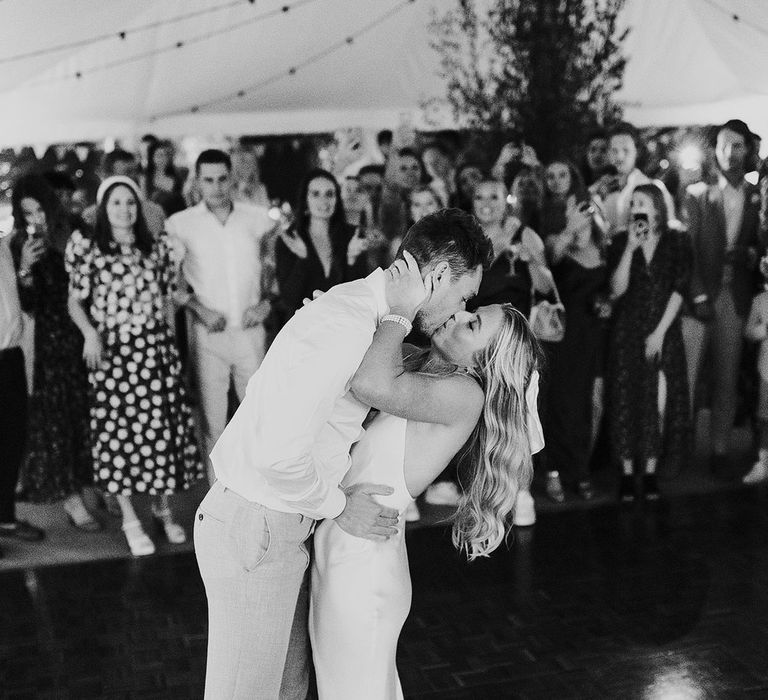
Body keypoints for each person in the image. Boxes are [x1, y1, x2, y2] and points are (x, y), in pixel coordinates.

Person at [193, 208, 492, 700]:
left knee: (287, 691)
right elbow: (277, 456)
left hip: (278, 525)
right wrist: (339, 505)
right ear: (437, 276)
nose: (459, 309)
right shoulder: (348, 321)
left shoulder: (358, 315)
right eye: (463, 295)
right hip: (258, 525)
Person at [310, 258, 544, 699]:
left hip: (363, 565)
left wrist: (399, 311)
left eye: (471, 325)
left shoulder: (463, 395)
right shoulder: (425, 366)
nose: (456, 315)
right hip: (348, 543)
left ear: (484, 362)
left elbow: (368, 384)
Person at [66, 176, 204, 556]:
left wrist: (173, 335)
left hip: (154, 350)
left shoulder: (157, 247)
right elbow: (75, 301)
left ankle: (162, 509)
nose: (124, 209)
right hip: (112, 353)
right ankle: (129, 517)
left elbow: (166, 298)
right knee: (120, 435)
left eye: (130, 202)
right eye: (116, 203)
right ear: (103, 208)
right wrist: (90, 335)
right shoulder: (89, 247)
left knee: (160, 430)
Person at [166, 149, 277, 483]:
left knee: (258, 416)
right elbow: (170, 282)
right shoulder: (181, 224)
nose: (216, 186)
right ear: (197, 182)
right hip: (208, 333)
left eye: (221, 178)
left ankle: (261, 490)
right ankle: (218, 499)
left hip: (250, 328)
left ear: (232, 178)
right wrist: (197, 308)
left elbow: (275, 267)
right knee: (214, 422)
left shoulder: (258, 218)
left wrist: (267, 303)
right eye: (208, 180)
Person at [9, 175, 97, 529]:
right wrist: (25, 269)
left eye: (39, 209)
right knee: (59, 420)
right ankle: (73, 499)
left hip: (89, 328)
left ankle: (103, 486)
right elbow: (27, 306)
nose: (35, 218)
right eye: (26, 213)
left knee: (93, 413)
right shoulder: (20, 244)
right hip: (51, 337)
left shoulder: (75, 229)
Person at [681, 119, 763, 477]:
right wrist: (697, 293)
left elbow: (761, 244)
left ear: (748, 150)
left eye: (739, 145)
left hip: (737, 292)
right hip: (701, 293)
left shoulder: (756, 194)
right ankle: (677, 451)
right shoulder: (697, 193)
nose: (731, 152)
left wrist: (749, 254)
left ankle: (719, 449)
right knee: (688, 375)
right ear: (715, 149)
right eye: (725, 145)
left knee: (727, 377)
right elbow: (688, 250)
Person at [468, 179, 551, 524]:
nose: (486, 203)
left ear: (507, 201)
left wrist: (533, 262)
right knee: (481, 419)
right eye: (479, 196)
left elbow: (547, 286)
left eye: (494, 197)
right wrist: (504, 239)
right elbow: (473, 280)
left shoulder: (526, 235)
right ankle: (485, 493)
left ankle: (521, 491)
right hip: (475, 341)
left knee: (519, 416)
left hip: (515, 342)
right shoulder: (468, 239)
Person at [607, 183, 692, 501]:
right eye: (633, 203)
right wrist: (630, 248)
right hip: (627, 330)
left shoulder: (677, 240)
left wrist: (659, 332)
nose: (636, 208)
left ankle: (652, 470)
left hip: (663, 329)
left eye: (642, 202)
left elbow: (680, 286)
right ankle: (628, 474)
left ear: (658, 207)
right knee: (627, 398)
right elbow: (616, 290)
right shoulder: (619, 241)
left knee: (659, 398)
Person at [543, 180, 607, 501]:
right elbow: (551, 263)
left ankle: (581, 468)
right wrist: (571, 229)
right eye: (573, 205)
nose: (581, 210)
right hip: (562, 336)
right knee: (559, 402)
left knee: (591, 403)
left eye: (586, 205)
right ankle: (554, 471)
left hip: (594, 335)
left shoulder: (605, 246)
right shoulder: (557, 242)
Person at [275, 168, 370, 326]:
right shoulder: (289, 238)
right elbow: (288, 298)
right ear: (305, 199)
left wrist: (351, 259)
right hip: (302, 328)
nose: (323, 201)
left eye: (329, 194)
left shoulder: (352, 236)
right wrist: (303, 260)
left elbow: (360, 295)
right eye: (315, 194)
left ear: (337, 199)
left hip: (343, 326)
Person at [0, 227, 45, 555]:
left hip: (11, 354)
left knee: (13, 437)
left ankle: (5, 518)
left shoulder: (3, 244)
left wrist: (24, 267)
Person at [591, 122, 675, 239]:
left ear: (637, 151)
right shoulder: (600, 188)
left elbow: (668, 228)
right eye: (614, 150)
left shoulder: (653, 187)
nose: (620, 156)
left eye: (626, 150)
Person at [743, 255, 768, 483]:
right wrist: (762, 331)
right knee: (765, 418)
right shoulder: (761, 301)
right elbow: (749, 331)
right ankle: (763, 461)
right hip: (767, 370)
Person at [142, 139, 186, 216]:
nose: (163, 159)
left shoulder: (176, 178)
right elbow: (144, 202)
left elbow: (182, 201)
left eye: (166, 155)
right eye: (159, 155)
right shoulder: (145, 179)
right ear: (152, 158)